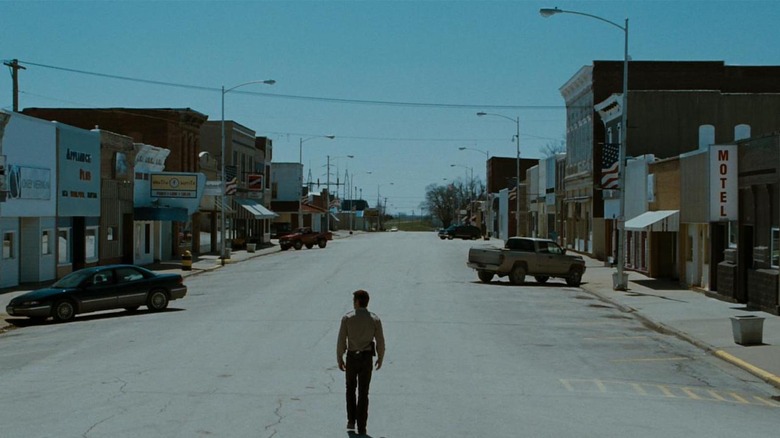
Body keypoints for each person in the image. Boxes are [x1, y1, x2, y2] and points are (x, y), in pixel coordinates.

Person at [337, 289, 385, 436]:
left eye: (354, 301)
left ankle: (351, 420)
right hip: (366, 359)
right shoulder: (374, 319)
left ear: (357, 302)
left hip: (352, 357)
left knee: (350, 388)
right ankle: (362, 427)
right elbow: (380, 341)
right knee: (364, 392)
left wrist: (340, 357)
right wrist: (380, 357)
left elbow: (341, 341)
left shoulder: (347, 318)